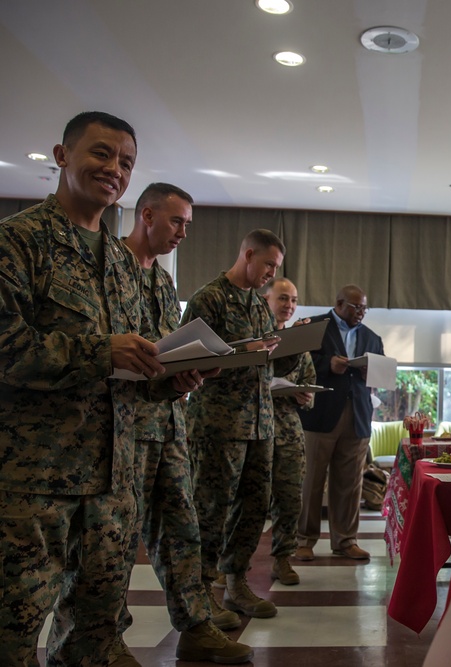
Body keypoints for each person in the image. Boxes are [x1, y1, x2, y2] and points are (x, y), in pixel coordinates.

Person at [0, 112, 205, 666]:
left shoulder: (121, 262)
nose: (115, 168)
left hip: (114, 477)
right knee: (13, 629)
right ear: (62, 156)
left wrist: (171, 380)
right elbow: (6, 347)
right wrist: (99, 352)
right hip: (36, 480)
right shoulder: (17, 242)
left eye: (126, 162)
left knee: (94, 634)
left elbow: (132, 372)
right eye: (101, 153)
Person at [118, 183, 253, 663]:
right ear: (147, 215)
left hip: (167, 423)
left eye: (188, 224)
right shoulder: (110, 266)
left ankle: (195, 626)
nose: (183, 233)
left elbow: (162, 350)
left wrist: (189, 373)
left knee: (182, 531)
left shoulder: (161, 281)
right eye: (177, 221)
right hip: (124, 429)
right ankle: (102, 640)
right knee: (115, 541)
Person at [182, 229, 284, 619]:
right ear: (249, 254)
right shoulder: (209, 299)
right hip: (219, 424)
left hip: (260, 423)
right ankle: (201, 590)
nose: (272, 274)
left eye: (276, 268)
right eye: (269, 264)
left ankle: (236, 583)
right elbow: (187, 360)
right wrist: (245, 351)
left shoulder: (260, 306)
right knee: (212, 509)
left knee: (254, 508)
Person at [296, 285, 384, 561]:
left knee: (350, 483)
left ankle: (346, 541)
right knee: (311, 481)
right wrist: (327, 365)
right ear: (339, 303)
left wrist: (372, 372)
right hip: (320, 414)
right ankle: (304, 540)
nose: (361, 312)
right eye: (356, 307)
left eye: (365, 308)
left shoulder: (372, 338)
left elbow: (381, 377)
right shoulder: (314, 327)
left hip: (357, 416)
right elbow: (297, 362)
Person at [263, 278, 316, 585]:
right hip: (254, 428)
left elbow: (310, 383)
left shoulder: (299, 343)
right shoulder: (253, 338)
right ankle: (230, 566)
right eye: (283, 298)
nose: (289, 305)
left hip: (288, 431)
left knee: (290, 498)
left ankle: (282, 559)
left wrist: (305, 395)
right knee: (248, 500)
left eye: (294, 300)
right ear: (267, 299)